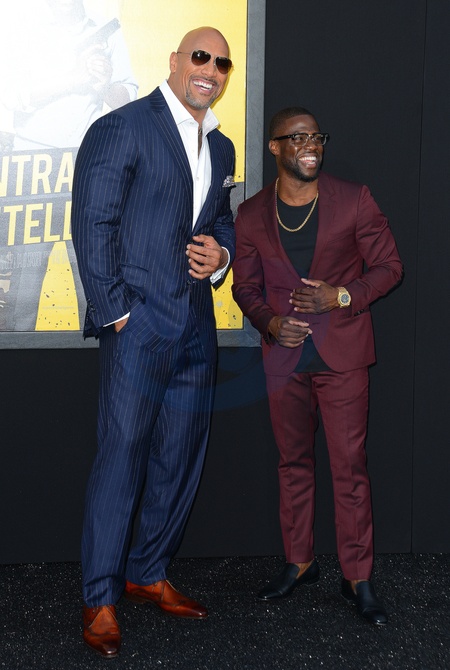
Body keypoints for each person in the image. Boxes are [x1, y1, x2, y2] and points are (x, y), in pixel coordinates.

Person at [71, 27, 235, 658]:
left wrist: (221, 254)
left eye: (222, 63)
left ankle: (147, 571)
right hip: (138, 328)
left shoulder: (219, 145)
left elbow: (219, 221)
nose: (211, 69)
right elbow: (93, 222)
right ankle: (100, 596)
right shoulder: (123, 127)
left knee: (179, 457)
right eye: (201, 57)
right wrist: (118, 315)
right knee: (122, 457)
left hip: (196, 328)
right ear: (175, 61)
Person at [232, 106, 402, 626]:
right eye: (299, 137)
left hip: (342, 356)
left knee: (349, 467)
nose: (311, 145)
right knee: (293, 463)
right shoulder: (251, 214)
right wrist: (268, 323)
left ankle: (358, 578)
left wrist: (342, 295)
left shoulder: (354, 199)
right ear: (275, 147)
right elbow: (245, 287)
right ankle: (300, 562)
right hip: (284, 358)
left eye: (317, 137)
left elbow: (390, 267)